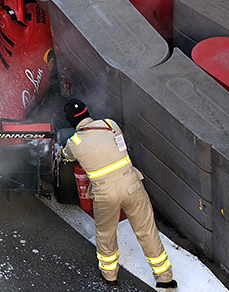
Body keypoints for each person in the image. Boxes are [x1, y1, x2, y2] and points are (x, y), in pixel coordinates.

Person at [61, 98, 178, 290]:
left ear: (70, 121)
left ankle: (110, 275)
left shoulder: (75, 142)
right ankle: (165, 277)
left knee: (106, 233)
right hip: (132, 184)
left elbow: (67, 155)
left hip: (105, 193)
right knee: (146, 229)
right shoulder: (109, 124)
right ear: (87, 111)